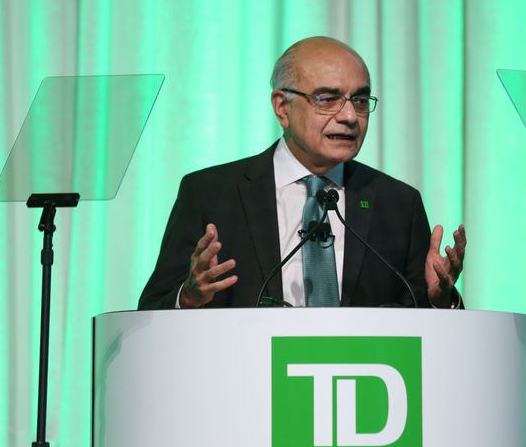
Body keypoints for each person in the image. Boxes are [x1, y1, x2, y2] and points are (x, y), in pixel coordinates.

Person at [138, 36, 466, 310]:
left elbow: (425, 328)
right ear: (283, 107)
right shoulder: (209, 194)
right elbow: (152, 311)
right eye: (328, 99)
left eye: (361, 100)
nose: (350, 116)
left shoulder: (398, 203)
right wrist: (189, 296)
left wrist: (440, 299)